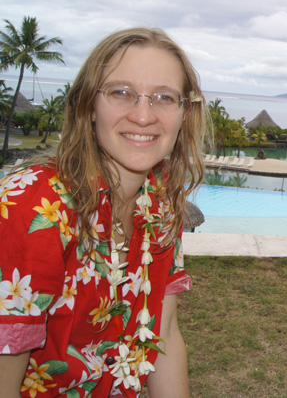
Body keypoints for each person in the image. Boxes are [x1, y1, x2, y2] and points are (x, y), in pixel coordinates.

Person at [0, 27, 206, 397]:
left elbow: (166, 333)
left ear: (184, 114)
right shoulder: (33, 206)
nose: (143, 116)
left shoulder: (160, 203)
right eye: (121, 93)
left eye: (163, 97)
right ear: (88, 107)